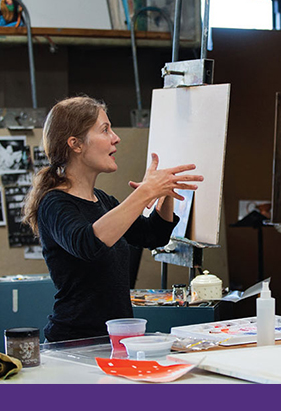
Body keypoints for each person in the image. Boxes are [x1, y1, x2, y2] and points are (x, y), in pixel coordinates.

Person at [22, 96, 203, 342]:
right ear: (76, 144)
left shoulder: (103, 201)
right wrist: (144, 193)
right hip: (73, 342)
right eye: (105, 130)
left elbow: (153, 235)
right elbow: (88, 243)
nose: (115, 137)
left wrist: (164, 193)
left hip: (114, 339)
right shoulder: (54, 203)